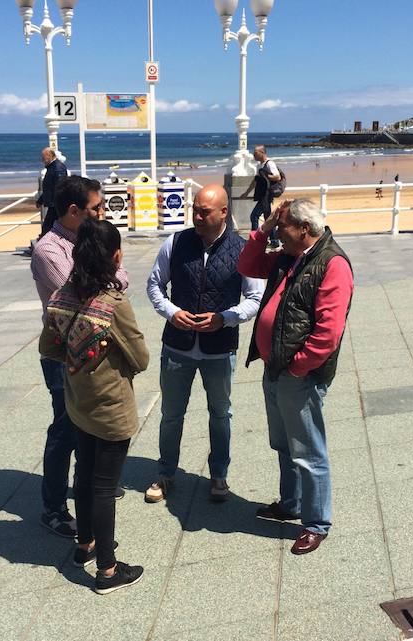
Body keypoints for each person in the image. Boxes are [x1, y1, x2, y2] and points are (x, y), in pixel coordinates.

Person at [237, 199, 354, 556]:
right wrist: (267, 225)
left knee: (308, 450)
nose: (277, 235)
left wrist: (298, 366)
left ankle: (316, 523)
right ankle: (290, 503)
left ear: (304, 229)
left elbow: (328, 332)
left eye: (283, 227)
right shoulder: (290, 256)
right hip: (276, 368)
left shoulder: (331, 264)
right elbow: (248, 263)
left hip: (297, 374)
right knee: (284, 443)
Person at [41, 218, 149, 594]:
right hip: (110, 405)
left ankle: (84, 543)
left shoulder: (61, 297)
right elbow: (140, 357)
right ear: (116, 256)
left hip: (77, 401)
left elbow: (49, 348)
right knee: (104, 486)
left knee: (83, 475)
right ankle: (107, 569)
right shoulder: (111, 304)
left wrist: (78, 359)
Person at [144, 184, 264, 503]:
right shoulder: (176, 242)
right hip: (177, 346)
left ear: (224, 212)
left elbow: (254, 297)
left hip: (220, 348)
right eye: (194, 209)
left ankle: (219, 476)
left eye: (204, 211)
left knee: (221, 413)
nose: (196, 215)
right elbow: (155, 285)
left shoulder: (242, 249)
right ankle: (166, 472)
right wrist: (171, 312)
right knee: (171, 413)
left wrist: (225, 317)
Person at [31, 175, 127, 539]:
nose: (103, 213)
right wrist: (111, 274)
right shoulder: (49, 250)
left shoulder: (87, 240)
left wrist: (110, 275)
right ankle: (53, 506)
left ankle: (89, 487)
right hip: (62, 354)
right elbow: (82, 294)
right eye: (96, 207)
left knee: (93, 423)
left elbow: (117, 279)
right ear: (74, 211)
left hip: (93, 347)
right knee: (66, 427)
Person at [241, 145, 282, 233]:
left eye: (255, 153)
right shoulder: (259, 166)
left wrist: (266, 176)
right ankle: (273, 240)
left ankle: (255, 238)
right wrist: (247, 192)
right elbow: (255, 181)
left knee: (254, 216)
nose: (254, 155)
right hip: (262, 195)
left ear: (262, 153)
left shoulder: (269, 163)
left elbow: (277, 177)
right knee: (268, 218)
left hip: (266, 195)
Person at [37, 147, 69, 238]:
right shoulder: (52, 167)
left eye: (43, 158)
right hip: (54, 204)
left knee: (48, 226)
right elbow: (49, 188)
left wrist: (57, 203)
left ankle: (43, 244)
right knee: (50, 226)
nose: (42, 160)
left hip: (56, 204)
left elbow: (59, 187)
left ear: (50, 156)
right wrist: (41, 200)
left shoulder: (58, 168)